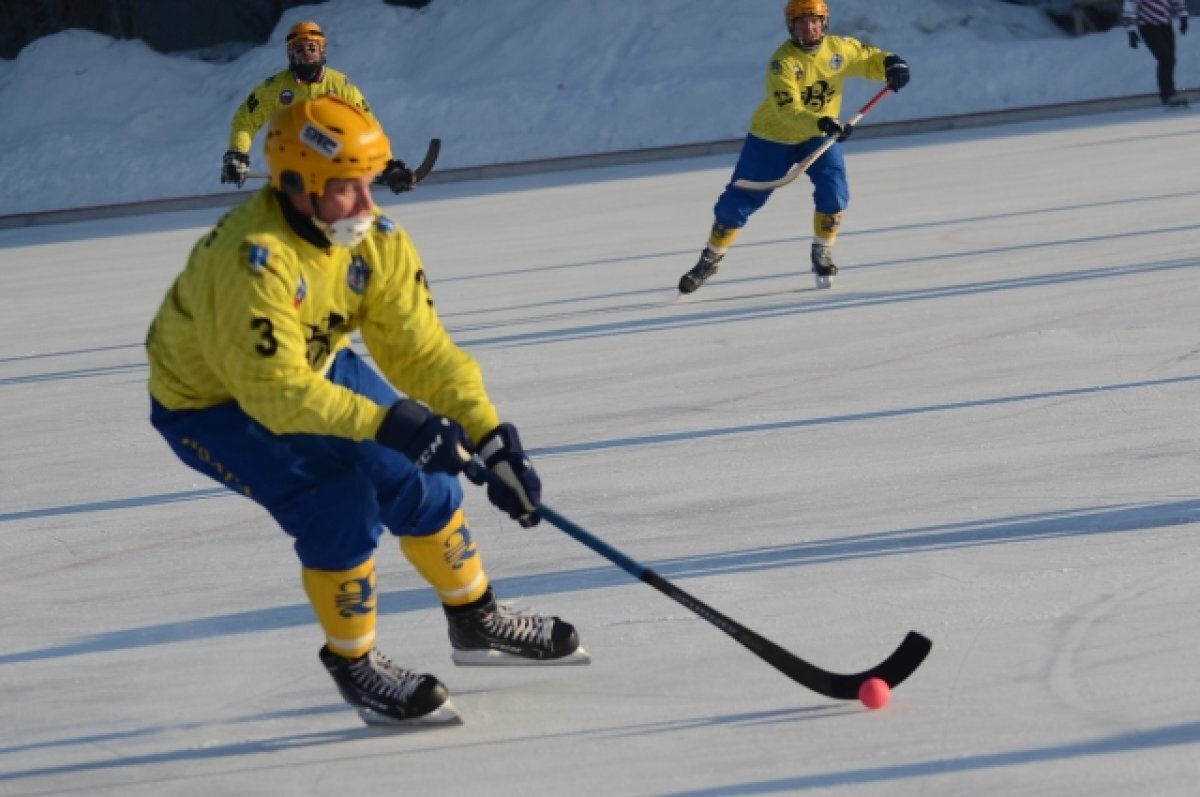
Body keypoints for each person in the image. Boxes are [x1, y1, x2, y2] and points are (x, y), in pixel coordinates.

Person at [148, 95, 588, 727]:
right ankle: (354, 663)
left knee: (425, 480)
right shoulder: (252, 260)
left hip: (318, 364)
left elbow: (421, 350)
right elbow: (273, 391)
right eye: (347, 189)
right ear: (298, 186)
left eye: (368, 185)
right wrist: (395, 424)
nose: (367, 204)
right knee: (339, 503)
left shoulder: (374, 240)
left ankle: (477, 620)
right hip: (216, 404)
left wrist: (490, 436)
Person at [677, 0, 909, 294]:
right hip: (772, 138)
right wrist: (823, 124)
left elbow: (868, 58)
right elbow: (788, 111)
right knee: (739, 201)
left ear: (824, 23)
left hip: (818, 134)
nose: (808, 28)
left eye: (814, 20)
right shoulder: (782, 63)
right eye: (801, 22)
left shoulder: (839, 48)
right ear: (791, 26)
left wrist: (891, 64)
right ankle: (710, 258)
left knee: (835, 192)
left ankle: (822, 251)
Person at [219, 21, 417, 193]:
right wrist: (237, 154)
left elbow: (368, 125)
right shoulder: (273, 88)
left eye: (312, 48)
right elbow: (245, 119)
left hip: (334, 173)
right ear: (290, 54)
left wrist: (387, 165)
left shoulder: (340, 84)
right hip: (293, 173)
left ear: (322, 50)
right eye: (299, 49)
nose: (306, 54)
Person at [1123, 0, 1189, 107]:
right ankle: (1167, 95)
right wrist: (1131, 31)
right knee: (1165, 58)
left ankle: (1170, 92)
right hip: (1148, 27)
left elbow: (1176, 1)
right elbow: (1130, 7)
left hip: (1166, 25)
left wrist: (1183, 17)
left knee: (1170, 59)